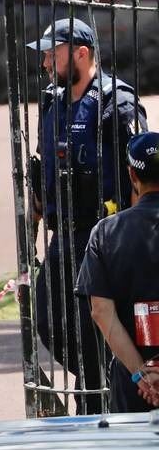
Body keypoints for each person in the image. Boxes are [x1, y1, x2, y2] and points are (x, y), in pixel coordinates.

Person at [26, 17, 147, 414]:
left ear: (81, 53)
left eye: (53, 54)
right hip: (63, 235)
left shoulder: (117, 103)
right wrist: (33, 222)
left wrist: (134, 238)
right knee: (48, 321)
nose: (46, 63)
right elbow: (44, 170)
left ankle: (98, 397)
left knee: (94, 323)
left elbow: (140, 177)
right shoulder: (52, 103)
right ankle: (103, 381)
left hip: (104, 237)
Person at [76, 132, 159, 412]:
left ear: (132, 174)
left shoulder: (106, 232)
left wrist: (142, 375)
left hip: (132, 386)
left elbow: (101, 312)